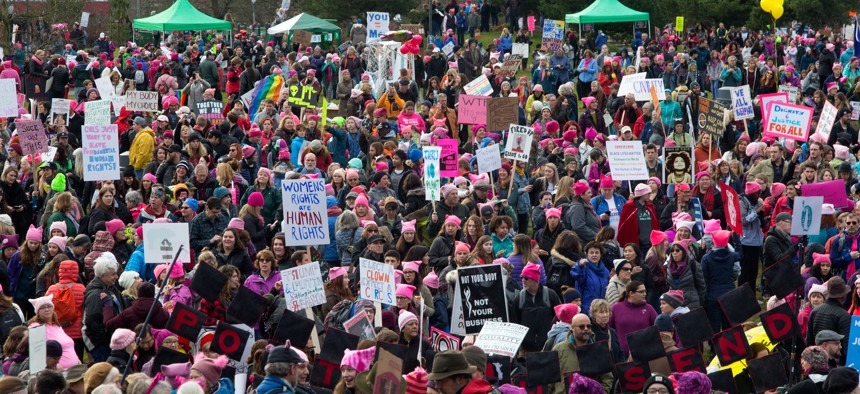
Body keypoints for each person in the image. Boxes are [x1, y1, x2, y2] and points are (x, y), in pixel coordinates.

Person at [549, 313, 614, 393]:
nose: (586, 329)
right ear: (572, 327)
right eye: (581, 326)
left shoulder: (598, 349)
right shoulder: (559, 349)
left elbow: (607, 378)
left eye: (588, 326)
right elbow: (549, 379)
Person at [512, 263, 560, 352]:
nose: (523, 280)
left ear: (535, 279)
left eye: (526, 278)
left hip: (548, 346)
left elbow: (559, 317)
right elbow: (515, 321)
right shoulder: (519, 297)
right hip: (527, 349)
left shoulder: (550, 295)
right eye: (521, 277)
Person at [701, 230, 740, 332]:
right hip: (729, 293)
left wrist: (705, 296)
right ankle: (728, 345)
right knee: (728, 324)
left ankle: (715, 347)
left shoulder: (706, 258)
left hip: (713, 295)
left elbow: (704, 279)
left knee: (714, 326)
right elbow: (740, 254)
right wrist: (736, 238)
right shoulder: (731, 256)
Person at [806, 277, 851, 365]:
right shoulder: (844, 315)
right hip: (835, 366)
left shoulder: (815, 311)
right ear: (842, 296)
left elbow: (809, 341)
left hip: (816, 362)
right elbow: (847, 347)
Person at [609, 280, 657, 357]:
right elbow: (608, 329)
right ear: (631, 293)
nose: (644, 294)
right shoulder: (616, 308)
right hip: (622, 357)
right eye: (641, 292)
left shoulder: (649, 309)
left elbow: (657, 330)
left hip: (645, 356)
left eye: (645, 291)